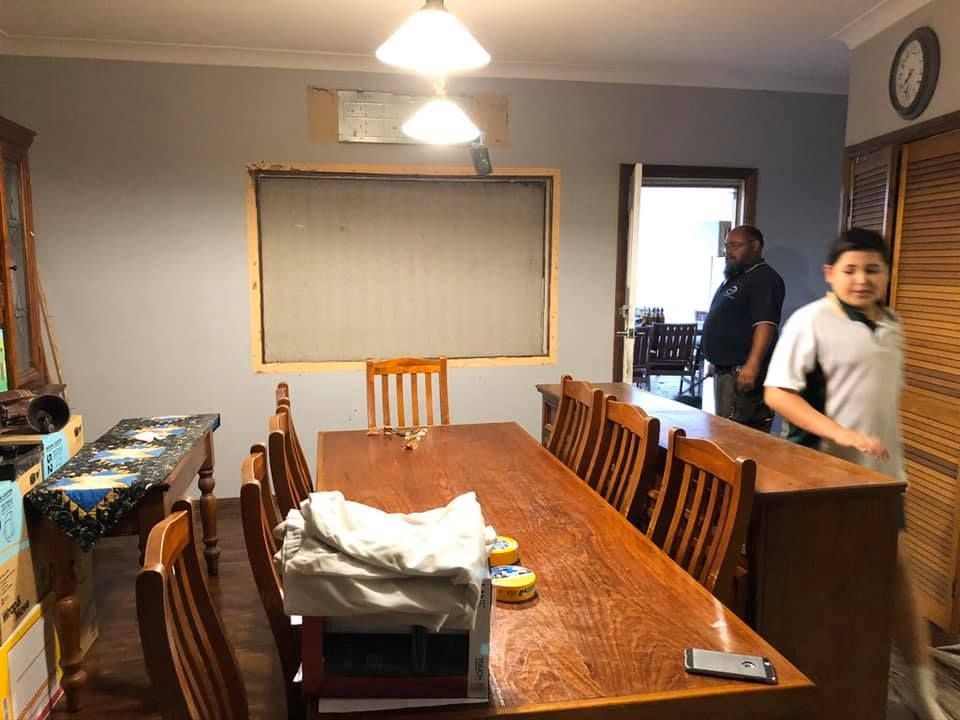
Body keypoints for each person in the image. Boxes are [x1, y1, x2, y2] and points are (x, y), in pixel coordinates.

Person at [764, 228, 947, 720]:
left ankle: (922, 690)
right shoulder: (811, 321)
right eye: (850, 270)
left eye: (872, 269)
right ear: (831, 274)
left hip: (883, 478)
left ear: (886, 274)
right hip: (820, 475)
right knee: (820, 583)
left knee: (897, 578)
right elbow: (778, 394)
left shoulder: (892, 323)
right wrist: (841, 434)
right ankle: (811, 690)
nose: (862, 279)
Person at [701, 225, 785, 431]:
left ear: (755, 246)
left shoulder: (764, 279)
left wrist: (752, 364)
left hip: (743, 371)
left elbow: (765, 324)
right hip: (727, 370)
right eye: (727, 246)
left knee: (741, 433)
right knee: (725, 429)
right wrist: (716, 360)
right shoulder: (738, 277)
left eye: (735, 246)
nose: (729, 252)